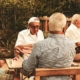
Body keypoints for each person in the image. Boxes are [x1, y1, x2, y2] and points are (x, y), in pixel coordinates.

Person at [22, 12, 76, 80]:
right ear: (64, 28)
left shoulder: (39, 45)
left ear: (48, 26)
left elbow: (27, 70)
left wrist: (25, 57)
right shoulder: (71, 44)